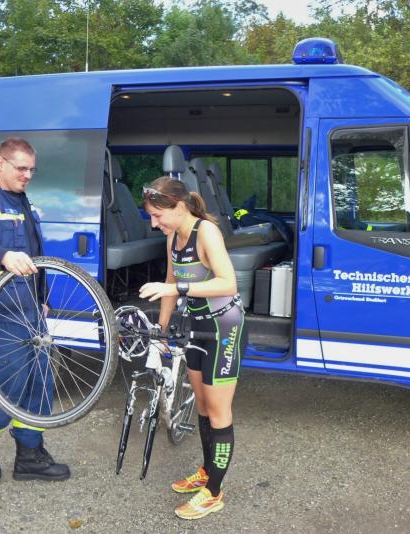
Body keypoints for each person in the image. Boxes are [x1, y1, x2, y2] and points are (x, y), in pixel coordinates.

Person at [0, 137, 70, 483]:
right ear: (0, 163)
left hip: (29, 311)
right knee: (9, 384)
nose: (27, 175)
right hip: (1, 313)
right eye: (21, 168)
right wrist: (3, 256)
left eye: (31, 170)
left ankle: (30, 456)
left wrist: (42, 299)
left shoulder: (22, 202)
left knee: (39, 382)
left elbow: (34, 258)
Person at [139, 176, 246, 520]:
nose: (154, 224)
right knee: (201, 404)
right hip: (198, 325)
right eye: (152, 216)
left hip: (223, 327)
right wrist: (161, 331)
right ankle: (206, 471)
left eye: (158, 215)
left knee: (218, 410)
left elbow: (228, 283)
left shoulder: (206, 232)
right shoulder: (173, 236)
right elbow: (169, 283)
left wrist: (176, 290)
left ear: (180, 206)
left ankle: (214, 492)